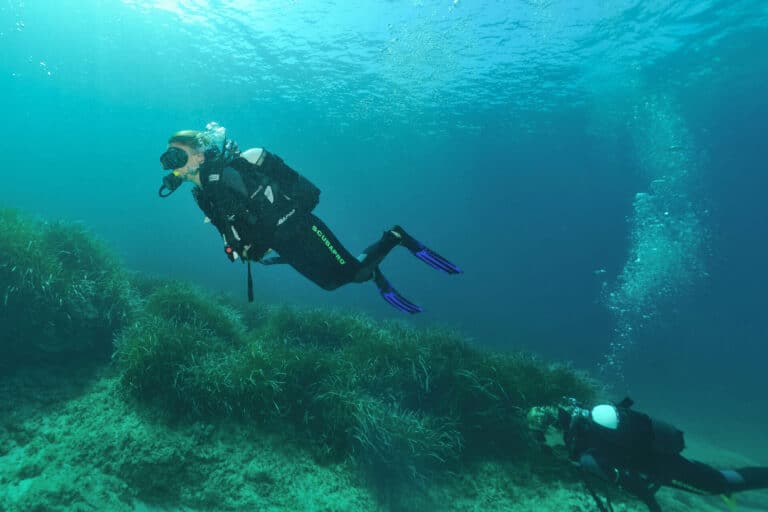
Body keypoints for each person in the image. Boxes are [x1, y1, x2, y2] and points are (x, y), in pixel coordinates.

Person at [157, 122, 461, 313]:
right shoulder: (203, 195)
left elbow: (270, 208)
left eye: (177, 156)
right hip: (283, 245)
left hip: (302, 229)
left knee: (354, 274)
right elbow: (229, 229)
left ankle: (395, 237)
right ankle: (372, 271)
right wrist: (239, 248)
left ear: (199, 155)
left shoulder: (230, 173)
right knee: (331, 284)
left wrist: (257, 241)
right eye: (169, 159)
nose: (173, 165)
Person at [528, 398, 768, 511]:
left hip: (661, 465)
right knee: (714, 477)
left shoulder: (586, 456)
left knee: (719, 484)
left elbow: (632, 485)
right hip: (658, 450)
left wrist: (653, 506)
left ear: (551, 428)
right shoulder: (582, 418)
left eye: (540, 436)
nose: (542, 443)